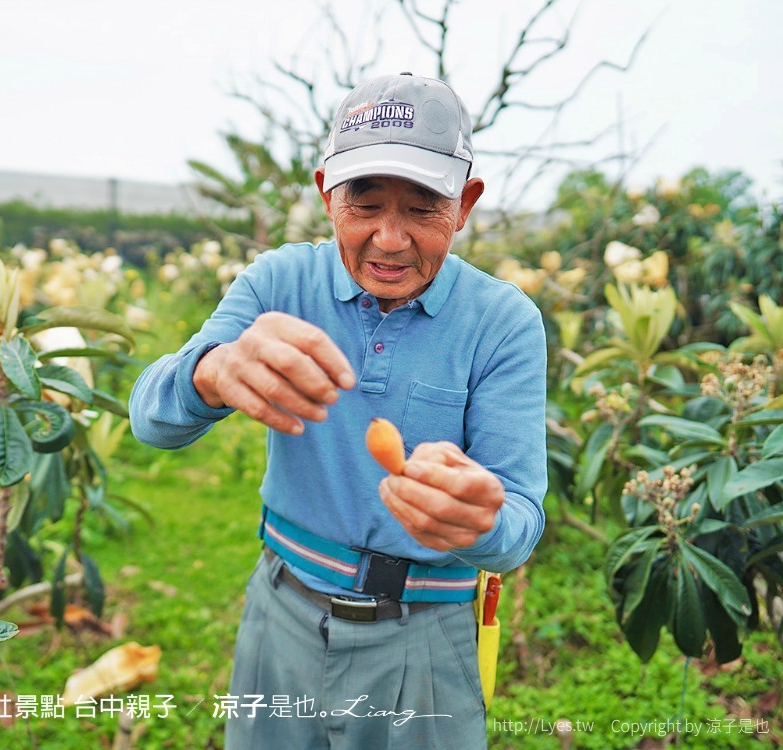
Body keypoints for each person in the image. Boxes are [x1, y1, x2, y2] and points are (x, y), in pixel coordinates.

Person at [129, 72, 547, 749]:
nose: (389, 238)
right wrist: (213, 371)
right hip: (282, 611)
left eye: (422, 207)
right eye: (365, 202)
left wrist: (482, 519)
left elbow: (520, 523)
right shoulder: (279, 283)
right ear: (328, 194)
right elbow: (151, 417)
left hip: (426, 635)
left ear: (464, 204)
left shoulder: (502, 323)